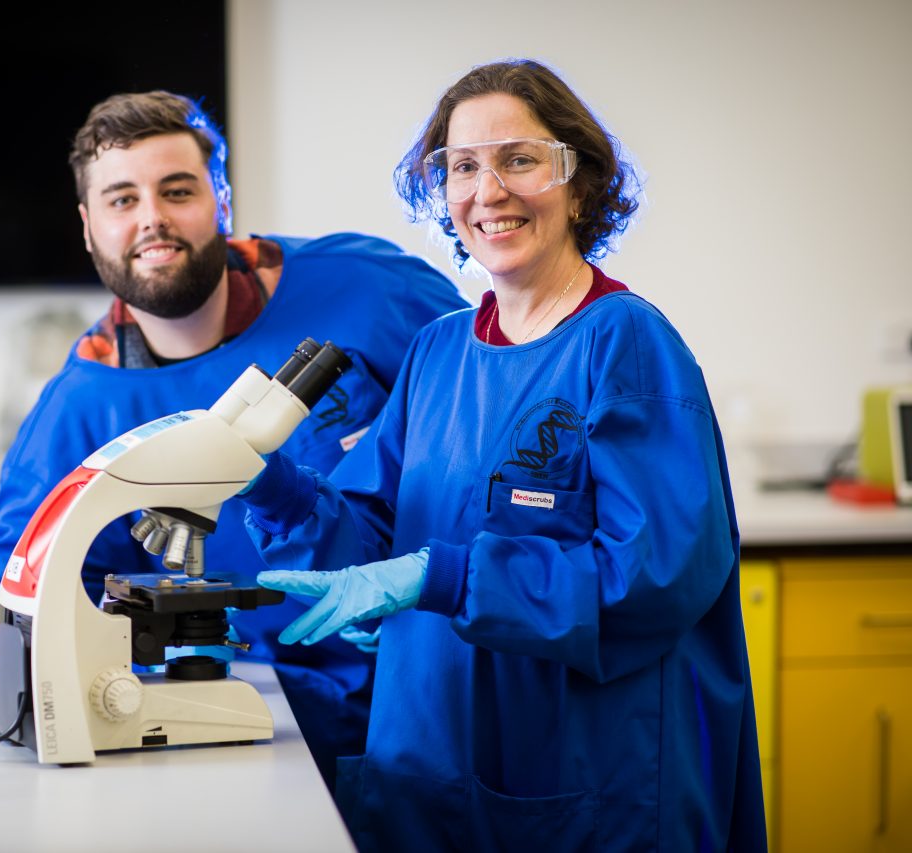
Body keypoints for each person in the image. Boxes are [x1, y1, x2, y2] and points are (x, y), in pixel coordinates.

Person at [238, 60, 767, 851]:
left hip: (586, 779)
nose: (489, 190)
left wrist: (444, 575)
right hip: (428, 762)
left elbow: (656, 575)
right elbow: (374, 543)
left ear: (579, 184)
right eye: (461, 167)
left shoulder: (625, 343)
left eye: (519, 159)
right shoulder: (439, 351)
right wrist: (273, 485)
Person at [0, 91, 466, 789]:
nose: (152, 219)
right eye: (121, 199)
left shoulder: (366, 288)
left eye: (177, 190)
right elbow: (9, 601)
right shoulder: (82, 403)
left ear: (222, 199)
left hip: (420, 705)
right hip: (237, 727)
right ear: (87, 226)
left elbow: (494, 413)